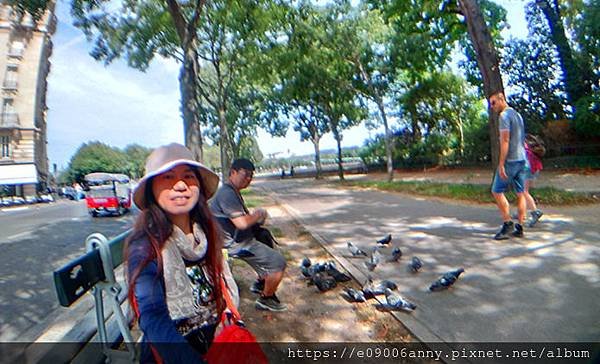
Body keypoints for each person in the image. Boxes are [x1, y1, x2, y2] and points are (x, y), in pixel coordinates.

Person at [125, 143, 239, 363]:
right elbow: (153, 318)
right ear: (151, 189)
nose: (180, 185)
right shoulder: (144, 246)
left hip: (218, 342)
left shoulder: (207, 234)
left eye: (189, 176)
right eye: (167, 177)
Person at [210, 158, 287, 312]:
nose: (249, 179)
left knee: (264, 239)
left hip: (239, 240)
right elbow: (242, 223)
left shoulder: (232, 191)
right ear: (233, 172)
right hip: (237, 244)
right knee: (279, 262)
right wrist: (259, 214)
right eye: (245, 175)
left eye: (251, 176)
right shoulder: (227, 194)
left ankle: (260, 282)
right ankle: (266, 298)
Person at [489, 92, 527, 240]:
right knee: (521, 193)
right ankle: (520, 227)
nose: (492, 106)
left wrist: (501, 163)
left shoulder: (504, 116)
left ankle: (508, 223)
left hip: (511, 160)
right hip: (522, 159)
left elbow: (505, 141)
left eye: (493, 103)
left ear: (501, 99)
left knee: (496, 191)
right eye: (490, 104)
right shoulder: (518, 115)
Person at [523, 140, 544, 227]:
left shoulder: (522, 145)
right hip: (533, 169)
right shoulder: (528, 146)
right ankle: (521, 212)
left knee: (524, 192)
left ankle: (535, 212)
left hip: (527, 169)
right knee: (523, 192)